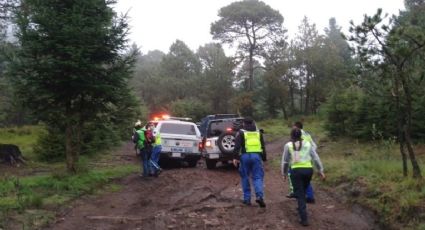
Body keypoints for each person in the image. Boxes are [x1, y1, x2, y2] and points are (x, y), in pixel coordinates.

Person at [281, 128, 325, 226]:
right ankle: (301, 205)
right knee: (303, 191)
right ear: (301, 135)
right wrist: (320, 170)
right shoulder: (308, 144)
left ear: (291, 135)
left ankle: (304, 219)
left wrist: (283, 173)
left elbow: (285, 161)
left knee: (300, 194)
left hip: (296, 172)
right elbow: (316, 158)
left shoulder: (288, 145)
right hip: (308, 171)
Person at [232, 118, 267, 208]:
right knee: (257, 177)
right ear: (253, 123)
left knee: (245, 177)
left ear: (244, 123)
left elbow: (237, 146)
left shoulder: (241, 132)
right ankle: (259, 196)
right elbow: (263, 146)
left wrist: (235, 158)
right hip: (256, 157)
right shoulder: (258, 132)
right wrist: (264, 158)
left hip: (245, 157)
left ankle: (247, 199)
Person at [287, 121, 317, 203]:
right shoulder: (307, 134)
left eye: (293, 127)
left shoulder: (297, 135)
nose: (292, 128)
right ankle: (309, 196)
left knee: (292, 174)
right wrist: (310, 154)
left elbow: (291, 147)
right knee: (306, 179)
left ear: (297, 127)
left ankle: (296, 193)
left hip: (298, 160)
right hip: (307, 160)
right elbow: (314, 146)